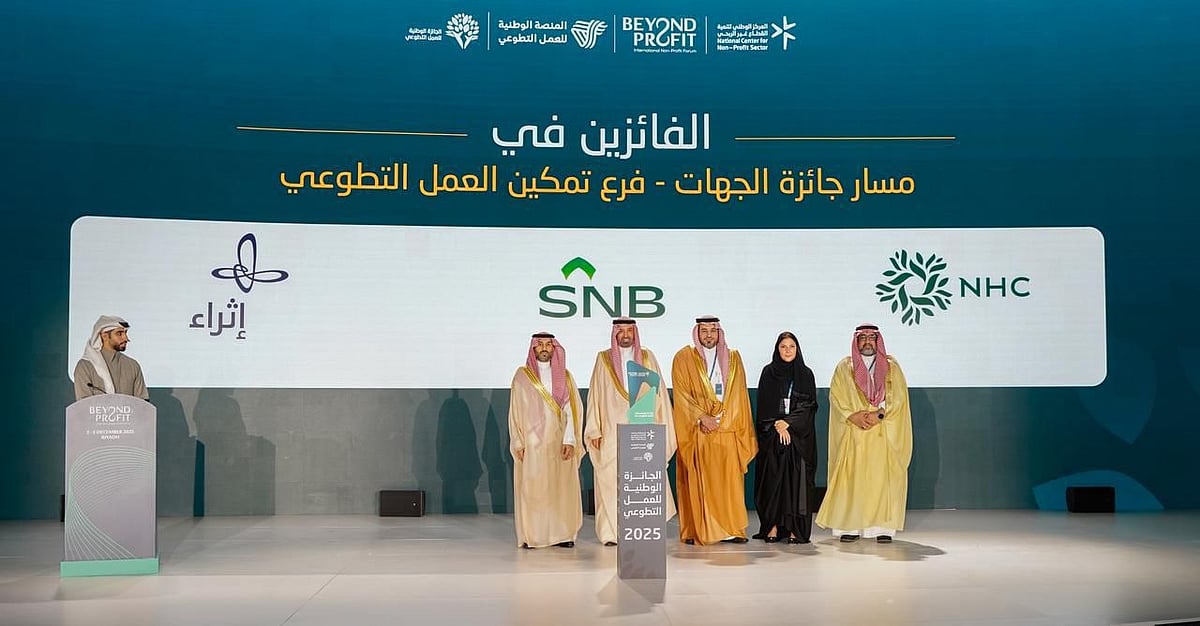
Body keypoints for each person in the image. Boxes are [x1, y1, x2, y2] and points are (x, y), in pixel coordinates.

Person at [815, 323, 913, 543]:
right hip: (854, 433)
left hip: (881, 433)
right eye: (863, 338)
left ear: (878, 341)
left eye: (871, 338)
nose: (867, 342)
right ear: (856, 341)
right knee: (853, 481)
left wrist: (879, 415)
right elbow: (837, 397)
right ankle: (850, 527)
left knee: (882, 482)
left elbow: (898, 398)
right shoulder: (844, 367)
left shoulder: (891, 367)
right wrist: (853, 416)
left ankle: (882, 528)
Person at [584, 318, 677, 546]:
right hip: (611, 431)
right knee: (611, 480)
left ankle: (643, 529)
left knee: (641, 480)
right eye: (621, 331)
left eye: (629, 331)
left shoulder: (647, 357)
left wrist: (660, 426)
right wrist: (594, 429)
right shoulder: (603, 359)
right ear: (614, 334)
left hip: (643, 429)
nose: (625, 335)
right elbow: (595, 395)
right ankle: (611, 533)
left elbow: (660, 396)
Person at [671, 316, 756, 545]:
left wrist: (724, 420)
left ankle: (732, 530)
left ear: (720, 333)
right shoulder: (683, 358)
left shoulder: (734, 358)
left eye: (713, 331)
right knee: (704, 483)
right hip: (700, 431)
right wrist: (702, 417)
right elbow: (681, 394)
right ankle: (702, 530)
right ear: (697, 333)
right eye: (704, 331)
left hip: (728, 430)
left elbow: (739, 395)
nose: (709, 335)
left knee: (730, 484)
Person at [508, 332, 584, 548]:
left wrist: (570, 440)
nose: (544, 348)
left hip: (558, 443)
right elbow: (515, 411)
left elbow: (572, 410)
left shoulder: (565, 376)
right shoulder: (522, 376)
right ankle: (534, 536)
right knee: (534, 489)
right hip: (532, 445)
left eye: (548, 345)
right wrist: (518, 442)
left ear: (554, 348)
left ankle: (563, 535)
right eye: (539, 344)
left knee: (561, 490)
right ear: (533, 348)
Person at [754, 331, 819, 544]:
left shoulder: (806, 374)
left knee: (796, 484)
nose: (788, 350)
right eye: (783, 347)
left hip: (799, 439)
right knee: (773, 482)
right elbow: (763, 405)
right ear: (777, 349)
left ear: (797, 349)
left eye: (791, 346)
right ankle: (772, 527)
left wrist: (788, 423)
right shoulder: (768, 372)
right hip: (773, 437)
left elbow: (810, 405)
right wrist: (777, 425)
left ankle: (794, 530)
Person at [73, 315, 148, 401]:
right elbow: (84, 405)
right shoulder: (85, 367)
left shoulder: (133, 365)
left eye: (125, 333)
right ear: (104, 336)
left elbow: (143, 403)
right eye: (119, 334)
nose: (126, 339)